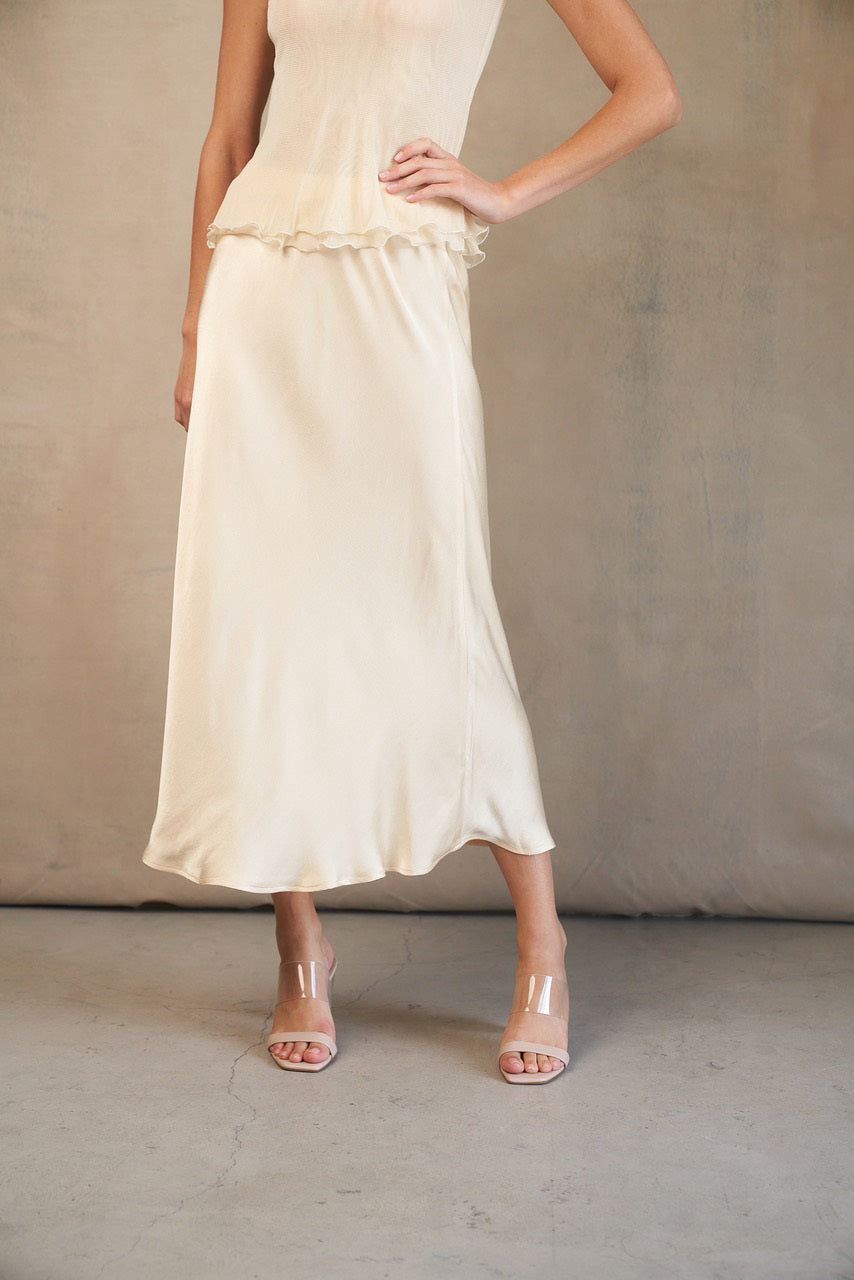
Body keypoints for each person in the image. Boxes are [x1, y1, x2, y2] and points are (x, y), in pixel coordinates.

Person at [141, 0, 680, 1083]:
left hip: (397, 279)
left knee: (436, 605)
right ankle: (299, 939)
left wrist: (504, 190)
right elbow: (228, 136)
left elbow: (650, 93)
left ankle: (542, 943)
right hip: (262, 284)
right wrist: (198, 320)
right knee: (266, 615)